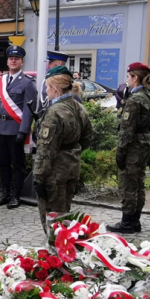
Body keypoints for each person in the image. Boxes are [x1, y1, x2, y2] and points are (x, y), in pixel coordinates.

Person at [33, 66, 93, 230]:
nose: (46, 91)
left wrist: (38, 177)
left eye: (47, 87)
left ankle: (56, 251)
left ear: (55, 88)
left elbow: (46, 150)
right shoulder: (79, 106)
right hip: (72, 166)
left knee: (52, 216)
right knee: (65, 212)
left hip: (54, 171)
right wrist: (72, 150)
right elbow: (87, 137)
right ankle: (64, 247)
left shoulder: (54, 112)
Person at [107, 62, 150, 234]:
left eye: (128, 76)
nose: (127, 80)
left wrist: (120, 152)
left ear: (135, 77)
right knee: (138, 183)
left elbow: (126, 130)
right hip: (144, 142)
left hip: (133, 146)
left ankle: (127, 222)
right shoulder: (149, 96)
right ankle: (135, 220)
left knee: (128, 184)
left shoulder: (135, 99)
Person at [0, 45, 37, 209]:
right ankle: (5, 193)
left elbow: (28, 109)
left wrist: (23, 131)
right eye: (11, 58)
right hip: (1, 128)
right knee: (3, 163)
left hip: (16, 129)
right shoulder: (1, 80)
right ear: (7, 61)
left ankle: (16, 196)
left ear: (22, 62)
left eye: (16, 59)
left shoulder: (27, 83)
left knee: (17, 164)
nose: (13, 61)